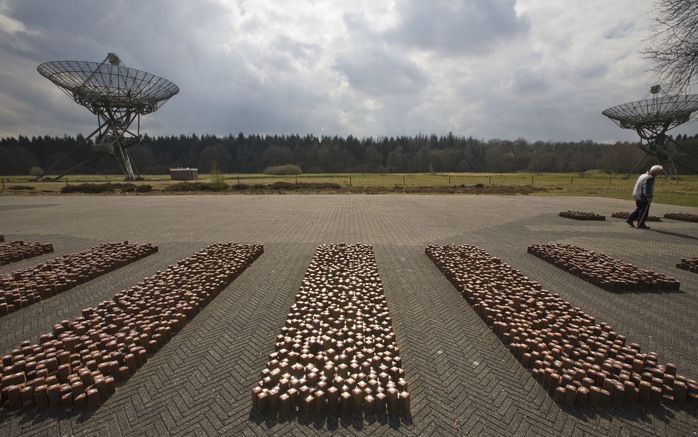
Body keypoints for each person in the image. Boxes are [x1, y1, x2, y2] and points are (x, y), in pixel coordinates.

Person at [627, 164, 664, 229]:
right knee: (644, 211)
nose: (659, 174)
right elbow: (646, 187)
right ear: (655, 172)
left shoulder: (643, 175)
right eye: (658, 172)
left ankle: (630, 219)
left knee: (639, 209)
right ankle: (641, 224)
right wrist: (649, 195)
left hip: (637, 194)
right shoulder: (650, 178)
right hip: (642, 196)